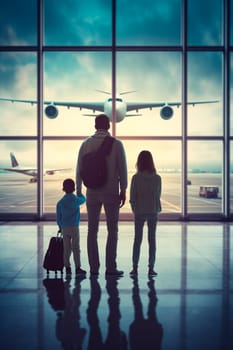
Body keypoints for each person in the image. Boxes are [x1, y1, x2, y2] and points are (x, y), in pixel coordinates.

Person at [76, 114, 128, 276]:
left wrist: (78, 190)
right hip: (111, 192)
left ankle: (93, 267)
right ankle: (110, 267)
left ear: (95, 126)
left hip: (92, 192)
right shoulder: (117, 144)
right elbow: (123, 169)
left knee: (92, 231)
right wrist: (123, 189)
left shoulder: (86, 144)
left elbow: (79, 169)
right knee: (113, 230)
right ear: (109, 126)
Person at [129, 151, 161, 276]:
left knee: (137, 240)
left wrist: (135, 210)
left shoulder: (135, 178)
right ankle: (151, 268)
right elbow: (157, 195)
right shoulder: (157, 178)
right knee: (152, 240)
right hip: (153, 211)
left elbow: (132, 197)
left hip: (140, 212)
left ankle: (135, 267)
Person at [56, 178, 86, 276]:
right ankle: (78, 267)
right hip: (74, 227)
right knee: (76, 248)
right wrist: (80, 193)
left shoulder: (60, 203)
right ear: (73, 188)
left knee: (67, 248)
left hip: (65, 228)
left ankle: (67, 267)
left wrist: (60, 226)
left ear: (63, 188)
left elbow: (58, 218)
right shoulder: (75, 200)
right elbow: (83, 199)